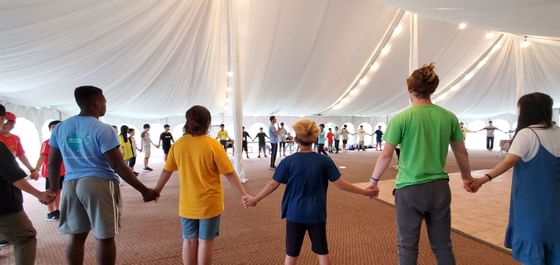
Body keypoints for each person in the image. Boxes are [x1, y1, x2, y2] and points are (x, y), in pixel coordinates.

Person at [366, 64, 474, 265]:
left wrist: (373, 182)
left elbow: (386, 156)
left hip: (410, 188)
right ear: (432, 89)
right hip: (440, 188)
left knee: (407, 246)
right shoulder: (448, 117)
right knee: (443, 246)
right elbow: (461, 152)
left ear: (409, 90)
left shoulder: (402, 118)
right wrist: (467, 178)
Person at [47, 86, 158, 265]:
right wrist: (144, 190)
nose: (105, 105)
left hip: (70, 184)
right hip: (97, 183)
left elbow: (52, 162)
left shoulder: (60, 128)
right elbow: (118, 165)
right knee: (105, 237)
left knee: (76, 238)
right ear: (96, 103)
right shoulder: (103, 129)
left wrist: (53, 189)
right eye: (104, 101)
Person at [242, 119, 378, 265]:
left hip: (294, 214)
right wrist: (366, 192)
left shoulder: (288, 162)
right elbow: (341, 184)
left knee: (291, 254)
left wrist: (255, 199)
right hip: (316, 214)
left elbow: (273, 185)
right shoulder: (324, 161)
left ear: (295, 139)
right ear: (315, 139)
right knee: (322, 253)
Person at [468, 92, 560, 265]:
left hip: (532, 200)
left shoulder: (527, 134)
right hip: (555, 198)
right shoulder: (558, 132)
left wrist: (483, 179)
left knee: (533, 237)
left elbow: (509, 161)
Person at [154, 105, 249, 265]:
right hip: (209, 204)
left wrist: (157, 190)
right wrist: (243, 193)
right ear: (208, 123)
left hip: (187, 204)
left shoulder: (178, 145)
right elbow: (229, 173)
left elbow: (166, 170)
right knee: (205, 241)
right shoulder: (212, 145)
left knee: (189, 241)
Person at [0, 104, 54, 265]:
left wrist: (32, 169)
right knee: (25, 237)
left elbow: (21, 155)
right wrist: (39, 194)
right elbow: (13, 175)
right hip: (4, 202)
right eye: (5, 121)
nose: (7, 125)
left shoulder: (14, 139)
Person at [35, 120, 65, 221]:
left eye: (58, 127)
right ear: (50, 130)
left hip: (62, 172)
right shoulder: (47, 143)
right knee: (50, 192)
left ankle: (57, 210)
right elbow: (42, 157)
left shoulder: (64, 141)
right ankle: (50, 213)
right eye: (53, 128)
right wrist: (36, 169)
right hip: (50, 173)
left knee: (58, 192)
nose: (55, 129)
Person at [0, 112, 40, 180]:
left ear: (13, 125)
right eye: (4, 123)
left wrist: (32, 170)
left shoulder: (15, 138)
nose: (5, 126)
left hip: (11, 168)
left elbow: (21, 155)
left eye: (9, 123)